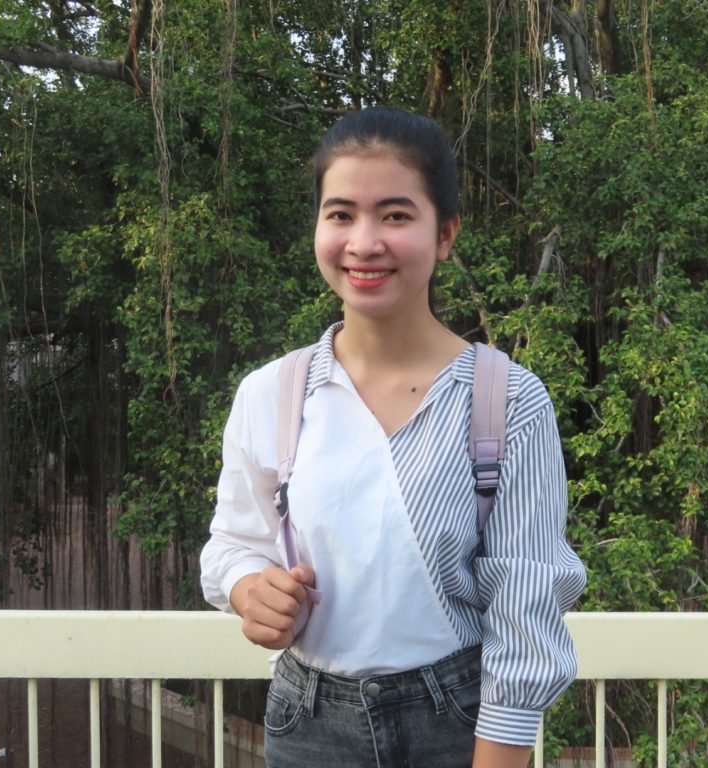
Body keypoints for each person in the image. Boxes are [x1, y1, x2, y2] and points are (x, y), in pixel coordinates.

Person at [200, 107, 586, 768]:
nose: (364, 242)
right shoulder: (272, 393)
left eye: (397, 215)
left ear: (446, 235)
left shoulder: (508, 401)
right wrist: (248, 589)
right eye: (341, 213)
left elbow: (524, 616)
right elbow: (234, 543)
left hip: (457, 724)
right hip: (306, 722)